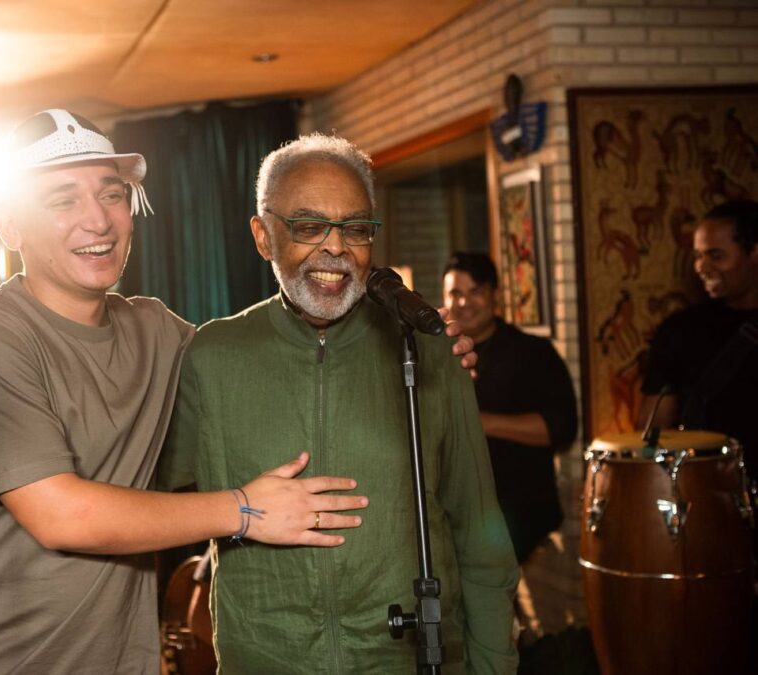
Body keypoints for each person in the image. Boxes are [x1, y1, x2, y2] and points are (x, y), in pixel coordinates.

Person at [0, 109, 372, 675]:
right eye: (62, 201)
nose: (98, 221)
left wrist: (419, 338)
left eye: (111, 195)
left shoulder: (155, 331)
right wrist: (245, 511)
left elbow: (260, 363)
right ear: (10, 226)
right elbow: (63, 517)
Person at [156, 134, 519, 674]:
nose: (335, 248)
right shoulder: (212, 356)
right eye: (307, 226)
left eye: (354, 227)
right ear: (263, 236)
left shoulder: (428, 348)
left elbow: (482, 537)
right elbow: (150, 498)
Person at [441, 253, 578, 565]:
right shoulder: (433, 357)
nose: (465, 303)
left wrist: (481, 422)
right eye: (456, 293)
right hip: (454, 518)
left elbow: (561, 428)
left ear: (495, 296)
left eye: (475, 291)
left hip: (522, 515)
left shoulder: (533, 353)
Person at [638, 200, 758, 477]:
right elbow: (652, 432)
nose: (701, 267)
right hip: (707, 495)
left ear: (753, 252)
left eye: (716, 255)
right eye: (698, 256)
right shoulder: (678, 331)